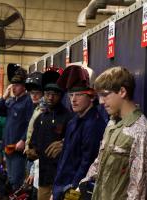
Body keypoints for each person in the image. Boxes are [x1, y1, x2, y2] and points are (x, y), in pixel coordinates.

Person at [80, 66, 147, 200]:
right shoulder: (112, 123)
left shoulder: (141, 131)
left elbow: (138, 190)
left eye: (105, 95)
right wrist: (83, 184)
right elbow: (100, 161)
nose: (101, 101)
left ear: (122, 91)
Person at [51, 65, 106, 200]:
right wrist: (56, 190)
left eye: (79, 95)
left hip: (75, 192)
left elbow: (87, 164)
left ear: (92, 97)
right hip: (62, 188)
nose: (73, 100)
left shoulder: (94, 125)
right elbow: (65, 160)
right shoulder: (73, 121)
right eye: (71, 95)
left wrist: (71, 194)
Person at [28, 70, 73, 200]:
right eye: (47, 94)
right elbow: (33, 144)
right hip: (43, 176)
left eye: (55, 94)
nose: (50, 97)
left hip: (62, 178)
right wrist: (32, 151)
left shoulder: (69, 118)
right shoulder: (41, 118)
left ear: (61, 95)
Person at [0, 67, 33, 191]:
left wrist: (23, 139)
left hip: (18, 150)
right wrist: (4, 97)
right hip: (8, 147)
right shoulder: (11, 101)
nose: (14, 88)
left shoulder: (28, 102)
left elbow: (30, 123)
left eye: (17, 85)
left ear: (24, 87)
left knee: (17, 181)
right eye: (12, 85)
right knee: (10, 179)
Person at [24, 71, 44, 200]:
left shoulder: (43, 111)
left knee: (35, 193)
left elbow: (42, 141)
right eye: (31, 93)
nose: (34, 95)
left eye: (37, 92)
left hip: (37, 160)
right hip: (31, 156)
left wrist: (34, 169)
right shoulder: (37, 109)